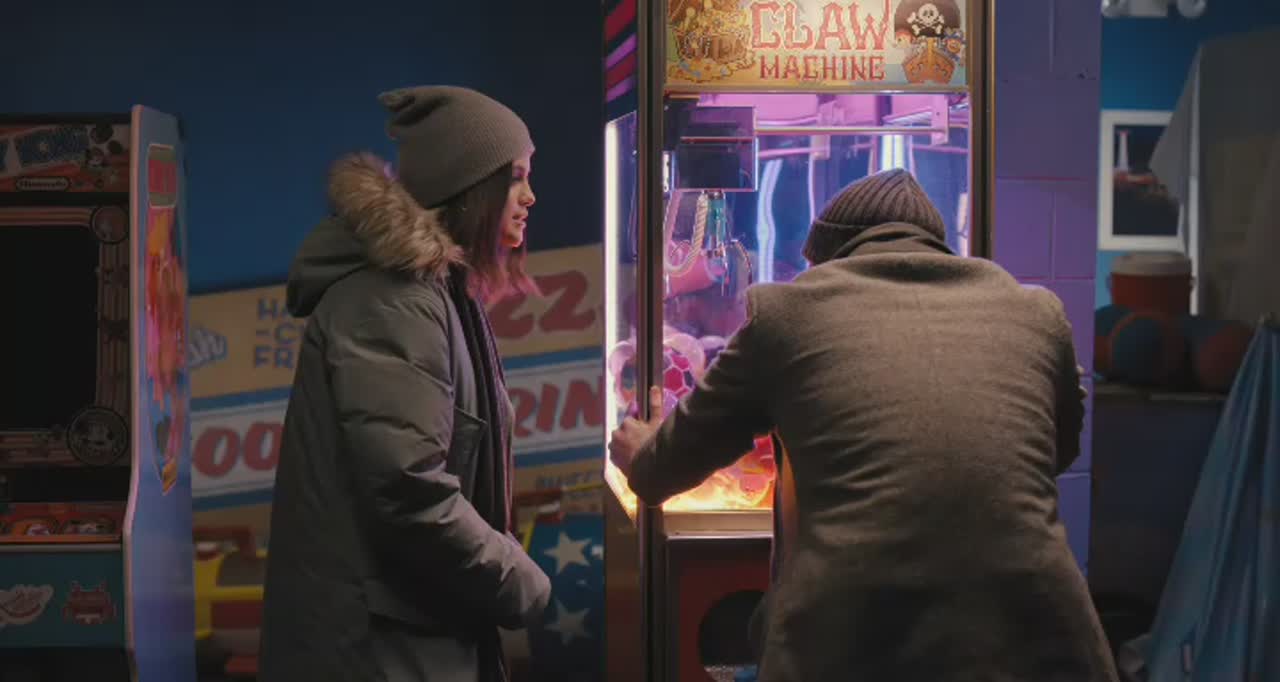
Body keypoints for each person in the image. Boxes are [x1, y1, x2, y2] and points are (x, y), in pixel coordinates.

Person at [609, 169, 1120, 682]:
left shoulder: (787, 314)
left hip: (852, 640)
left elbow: (657, 474)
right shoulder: (1037, 312)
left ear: (825, 258)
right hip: (1039, 640)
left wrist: (643, 442)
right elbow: (1058, 452)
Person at [260, 85, 551, 682]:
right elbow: (408, 489)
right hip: (377, 648)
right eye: (516, 178)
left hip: (409, 635)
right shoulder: (395, 300)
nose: (530, 197)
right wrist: (517, 578)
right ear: (470, 186)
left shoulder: (435, 289)